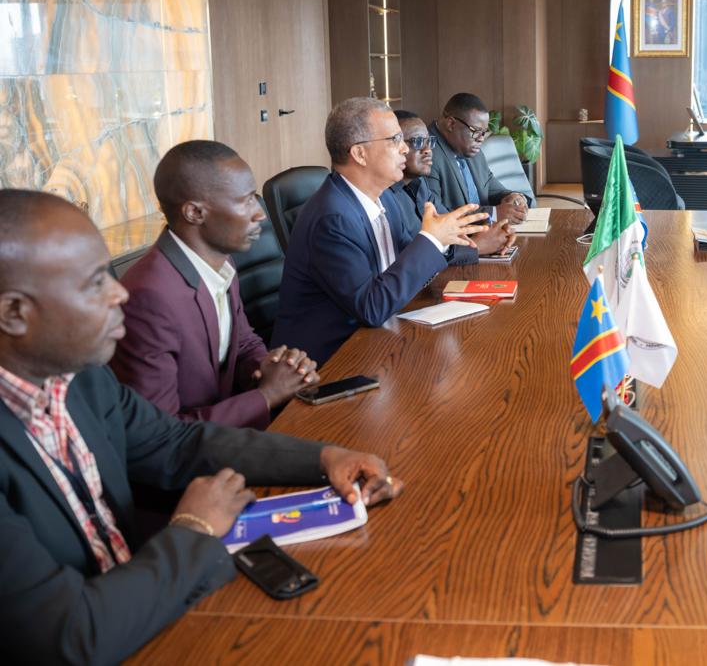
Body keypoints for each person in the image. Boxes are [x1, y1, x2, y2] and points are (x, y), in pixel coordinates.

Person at [0, 189, 404, 665]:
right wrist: (194, 529)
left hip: (143, 608)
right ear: (13, 313)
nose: (120, 292)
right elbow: (70, 637)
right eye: (93, 284)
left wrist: (322, 458)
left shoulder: (79, 378)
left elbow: (175, 442)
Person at [110, 141, 317, 428]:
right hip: (194, 451)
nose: (260, 213)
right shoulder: (148, 297)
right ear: (195, 213)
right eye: (246, 200)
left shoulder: (220, 260)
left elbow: (242, 343)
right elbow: (158, 431)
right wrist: (267, 395)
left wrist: (273, 368)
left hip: (226, 431)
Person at [272, 97, 488, 365]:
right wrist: (432, 239)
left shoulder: (385, 197)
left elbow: (407, 261)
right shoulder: (332, 218)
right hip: (328, 361)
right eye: (395, 140)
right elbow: (371, 307)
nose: (404, 148)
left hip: (379, 338)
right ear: (359, 154)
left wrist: (445, 237)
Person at [391, 109, 515, 264]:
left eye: (429, 142)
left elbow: (450, 226)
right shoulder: (385, 197)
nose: (428, 150)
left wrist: (491, 230)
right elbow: (413, 259)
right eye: (417, 142)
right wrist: (477, 247)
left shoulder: (420, 184)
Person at [424, 92, 530, 225]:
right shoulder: (426, 153)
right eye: (475, 131)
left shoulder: (469, 147)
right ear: (451, 124)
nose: (481, 139)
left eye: (483, 132)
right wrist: (493, 214)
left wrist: (511, 197)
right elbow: (435, 215)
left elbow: (491, 188)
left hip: (488, 232)